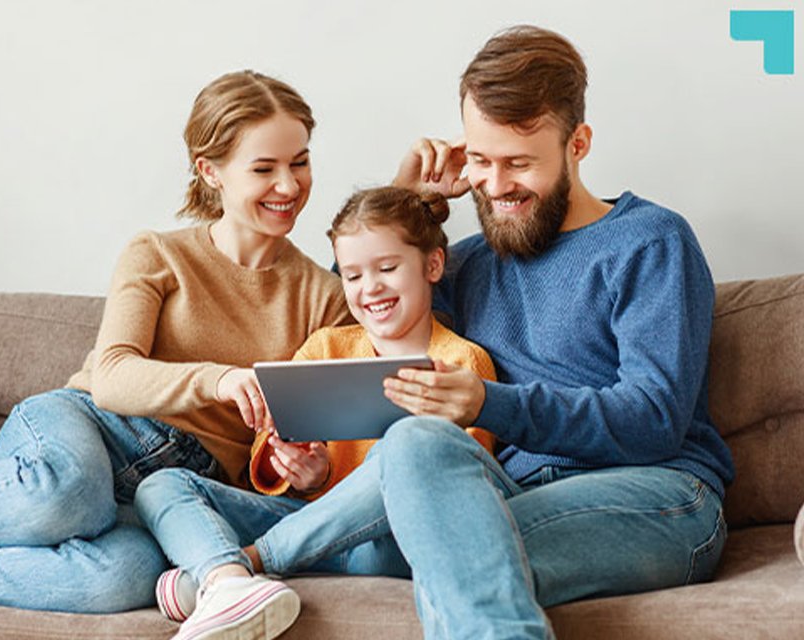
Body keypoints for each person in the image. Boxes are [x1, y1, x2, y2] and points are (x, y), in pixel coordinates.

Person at [241, 25, 735, 640]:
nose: (496, 186)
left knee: (428, 553)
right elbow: (351, 298)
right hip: (507, 491)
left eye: (518, 163)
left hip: (661, 496)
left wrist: (489, 403)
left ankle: (247, 564)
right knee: (416, 448)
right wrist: (403, 197)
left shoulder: (649, 242)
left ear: (577, 143)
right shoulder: (468, 263)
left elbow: (653, 418)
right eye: (480, 160)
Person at [0, 70, 351, 613]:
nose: (290, 185)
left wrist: (299, 471)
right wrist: (218, 379)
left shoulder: (324, 295)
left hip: (178, 489)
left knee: (125, 579)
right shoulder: (158, 254)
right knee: (68, 494)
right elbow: (111, 375)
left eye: (300, 162)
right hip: (86, 428)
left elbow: (301, 435)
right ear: (211, 172)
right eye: (265, 169)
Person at [133, 186, 497, 640]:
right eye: (353, 275)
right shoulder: (327, 346)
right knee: (163, 484)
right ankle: (228, 581)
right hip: (300, 515)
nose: (371, 289)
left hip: (386, 544)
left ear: (432, 265)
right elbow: (269, 442)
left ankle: (234, 568)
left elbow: (453, 486)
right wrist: (305, 471)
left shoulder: (462, 364)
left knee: (402, 468)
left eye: (387, 268)